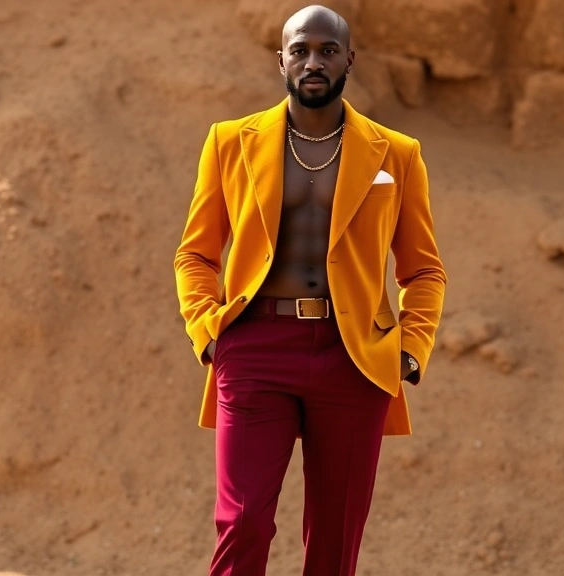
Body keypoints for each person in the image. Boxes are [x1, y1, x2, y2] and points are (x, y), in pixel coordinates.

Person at [174, 5, 446, 575]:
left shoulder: (397, 154)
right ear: (282, 60)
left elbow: (423, 272)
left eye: (327, 50)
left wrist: (408, 349)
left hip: (354, 358)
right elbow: (195, 254)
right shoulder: (230, 142)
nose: (313, 62)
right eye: (300, 50)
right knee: (243, 521)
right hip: (254, 348)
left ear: (350, 59)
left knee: (335, 537)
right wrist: (209, 333)